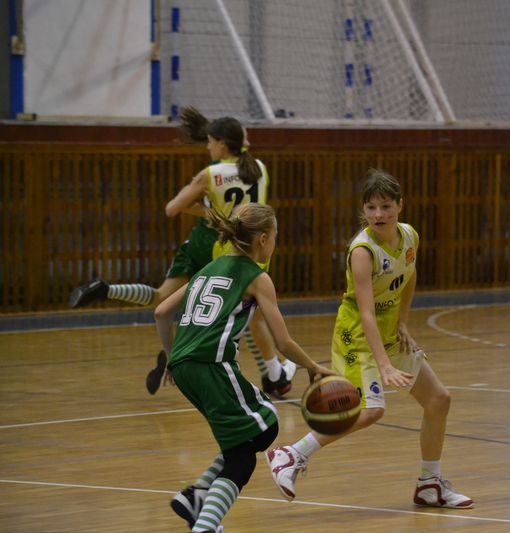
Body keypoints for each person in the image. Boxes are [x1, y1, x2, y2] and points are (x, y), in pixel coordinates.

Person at [266, 169, 474, 509]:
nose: (378, 214)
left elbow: (409, 275)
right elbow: (366, 313)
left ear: (400, 205)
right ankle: (291, 454)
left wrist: (403, 321)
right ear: (363, 210)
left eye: (386, 206)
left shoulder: (409, 236)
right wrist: (384, 365)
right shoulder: (362, 251)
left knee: (439, 399)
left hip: (389, 331)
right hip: (357, 338)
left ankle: (430, 484)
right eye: (371, 207)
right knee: (370, 410)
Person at [68, 107, 295, 397]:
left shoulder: (211, 175)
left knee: (163, 298)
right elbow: (241, 146)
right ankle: (273, 375)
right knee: (250, 313)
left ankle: (109, 290)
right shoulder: (259, 168)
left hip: (205, 242)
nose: (207, 146)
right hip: (237, 247)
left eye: (210, 142)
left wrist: (208, 212)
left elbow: (172, 208)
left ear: (221, 143)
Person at [155, 203, 333, 533]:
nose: (276, 242)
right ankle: (205, 524)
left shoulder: (209, 268)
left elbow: (161, 311)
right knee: (254, 443)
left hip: (183, 367)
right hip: (211, 364)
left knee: (250, 434)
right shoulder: (257, 277)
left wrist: (170, 357)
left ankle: (198, 496)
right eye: (276, 236)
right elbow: (283, 342)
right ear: (263, 239)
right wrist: (313, 367)